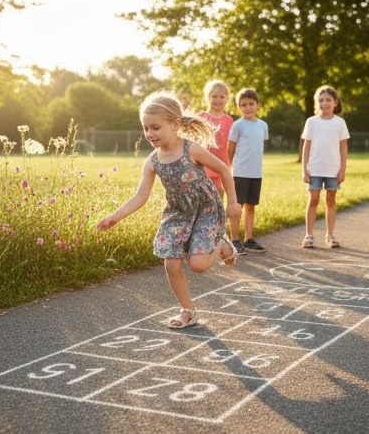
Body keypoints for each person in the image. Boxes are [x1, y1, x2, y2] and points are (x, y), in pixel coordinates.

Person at [96, 92, 240, 329]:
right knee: (171, 264)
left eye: (155, 127)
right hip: (177, 214)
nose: (150, 134)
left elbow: (224, 170)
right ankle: (188, 310)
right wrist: (115, 216)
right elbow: (140, 196)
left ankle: (222, 244)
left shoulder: (191, 150)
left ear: (175, 125)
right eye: (146, 128)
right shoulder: (152, 161)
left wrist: (232, 203)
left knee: (198, 266)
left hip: (205, 210)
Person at [300, 85, 350, 249]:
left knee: (331, 201)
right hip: (314, 169)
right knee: (313, 200)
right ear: (316, 103)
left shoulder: (340, 123)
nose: (324, 103)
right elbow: (306, 146)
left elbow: (343, 148)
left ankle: (330, 235)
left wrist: (342, 169)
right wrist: (304, 168)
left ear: (335, 102)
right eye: (320, 100)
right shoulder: (312, 122)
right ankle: (309, 235)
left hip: (332, 170)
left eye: (328, 100)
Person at [227, 87, 269, 255]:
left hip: (256, 173)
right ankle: (235, 240)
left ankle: (248, 240)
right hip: (240, 173)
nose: (248, 108)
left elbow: (258, 147)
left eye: (251, 104)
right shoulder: (238, 126)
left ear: (257, 105)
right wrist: (233, 167)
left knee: (251, 206)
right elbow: (230, 149)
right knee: (237, 206)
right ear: (239, 107)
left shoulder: (263, 125)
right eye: (243, 105)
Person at [199, 79, 234, 201]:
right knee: (205, 195)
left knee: (219, 192)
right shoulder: (201, 118)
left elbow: (233, 144)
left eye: (222, 97)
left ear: (227, 99)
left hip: (222, 164)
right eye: (214, 96)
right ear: (208, 97)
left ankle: (218, 219)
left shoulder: (228, 120)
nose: (218, 100)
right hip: (203, 163)